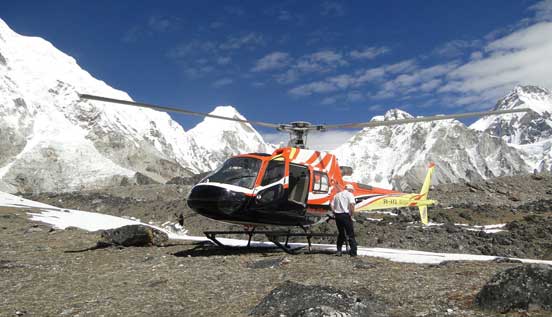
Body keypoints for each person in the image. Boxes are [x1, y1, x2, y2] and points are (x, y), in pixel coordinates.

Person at [331, 183, 358, 256]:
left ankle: (339, 251)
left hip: (338, 216)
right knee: (350, 234)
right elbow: (352, 205)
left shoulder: (336, 195)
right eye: (352, 190)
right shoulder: (350, 195)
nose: (352, 192)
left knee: (341, 233)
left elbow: (332, 205)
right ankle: (353, 252)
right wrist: (351, 214)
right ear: (350, 189)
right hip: (346, 215)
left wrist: (335, 212)